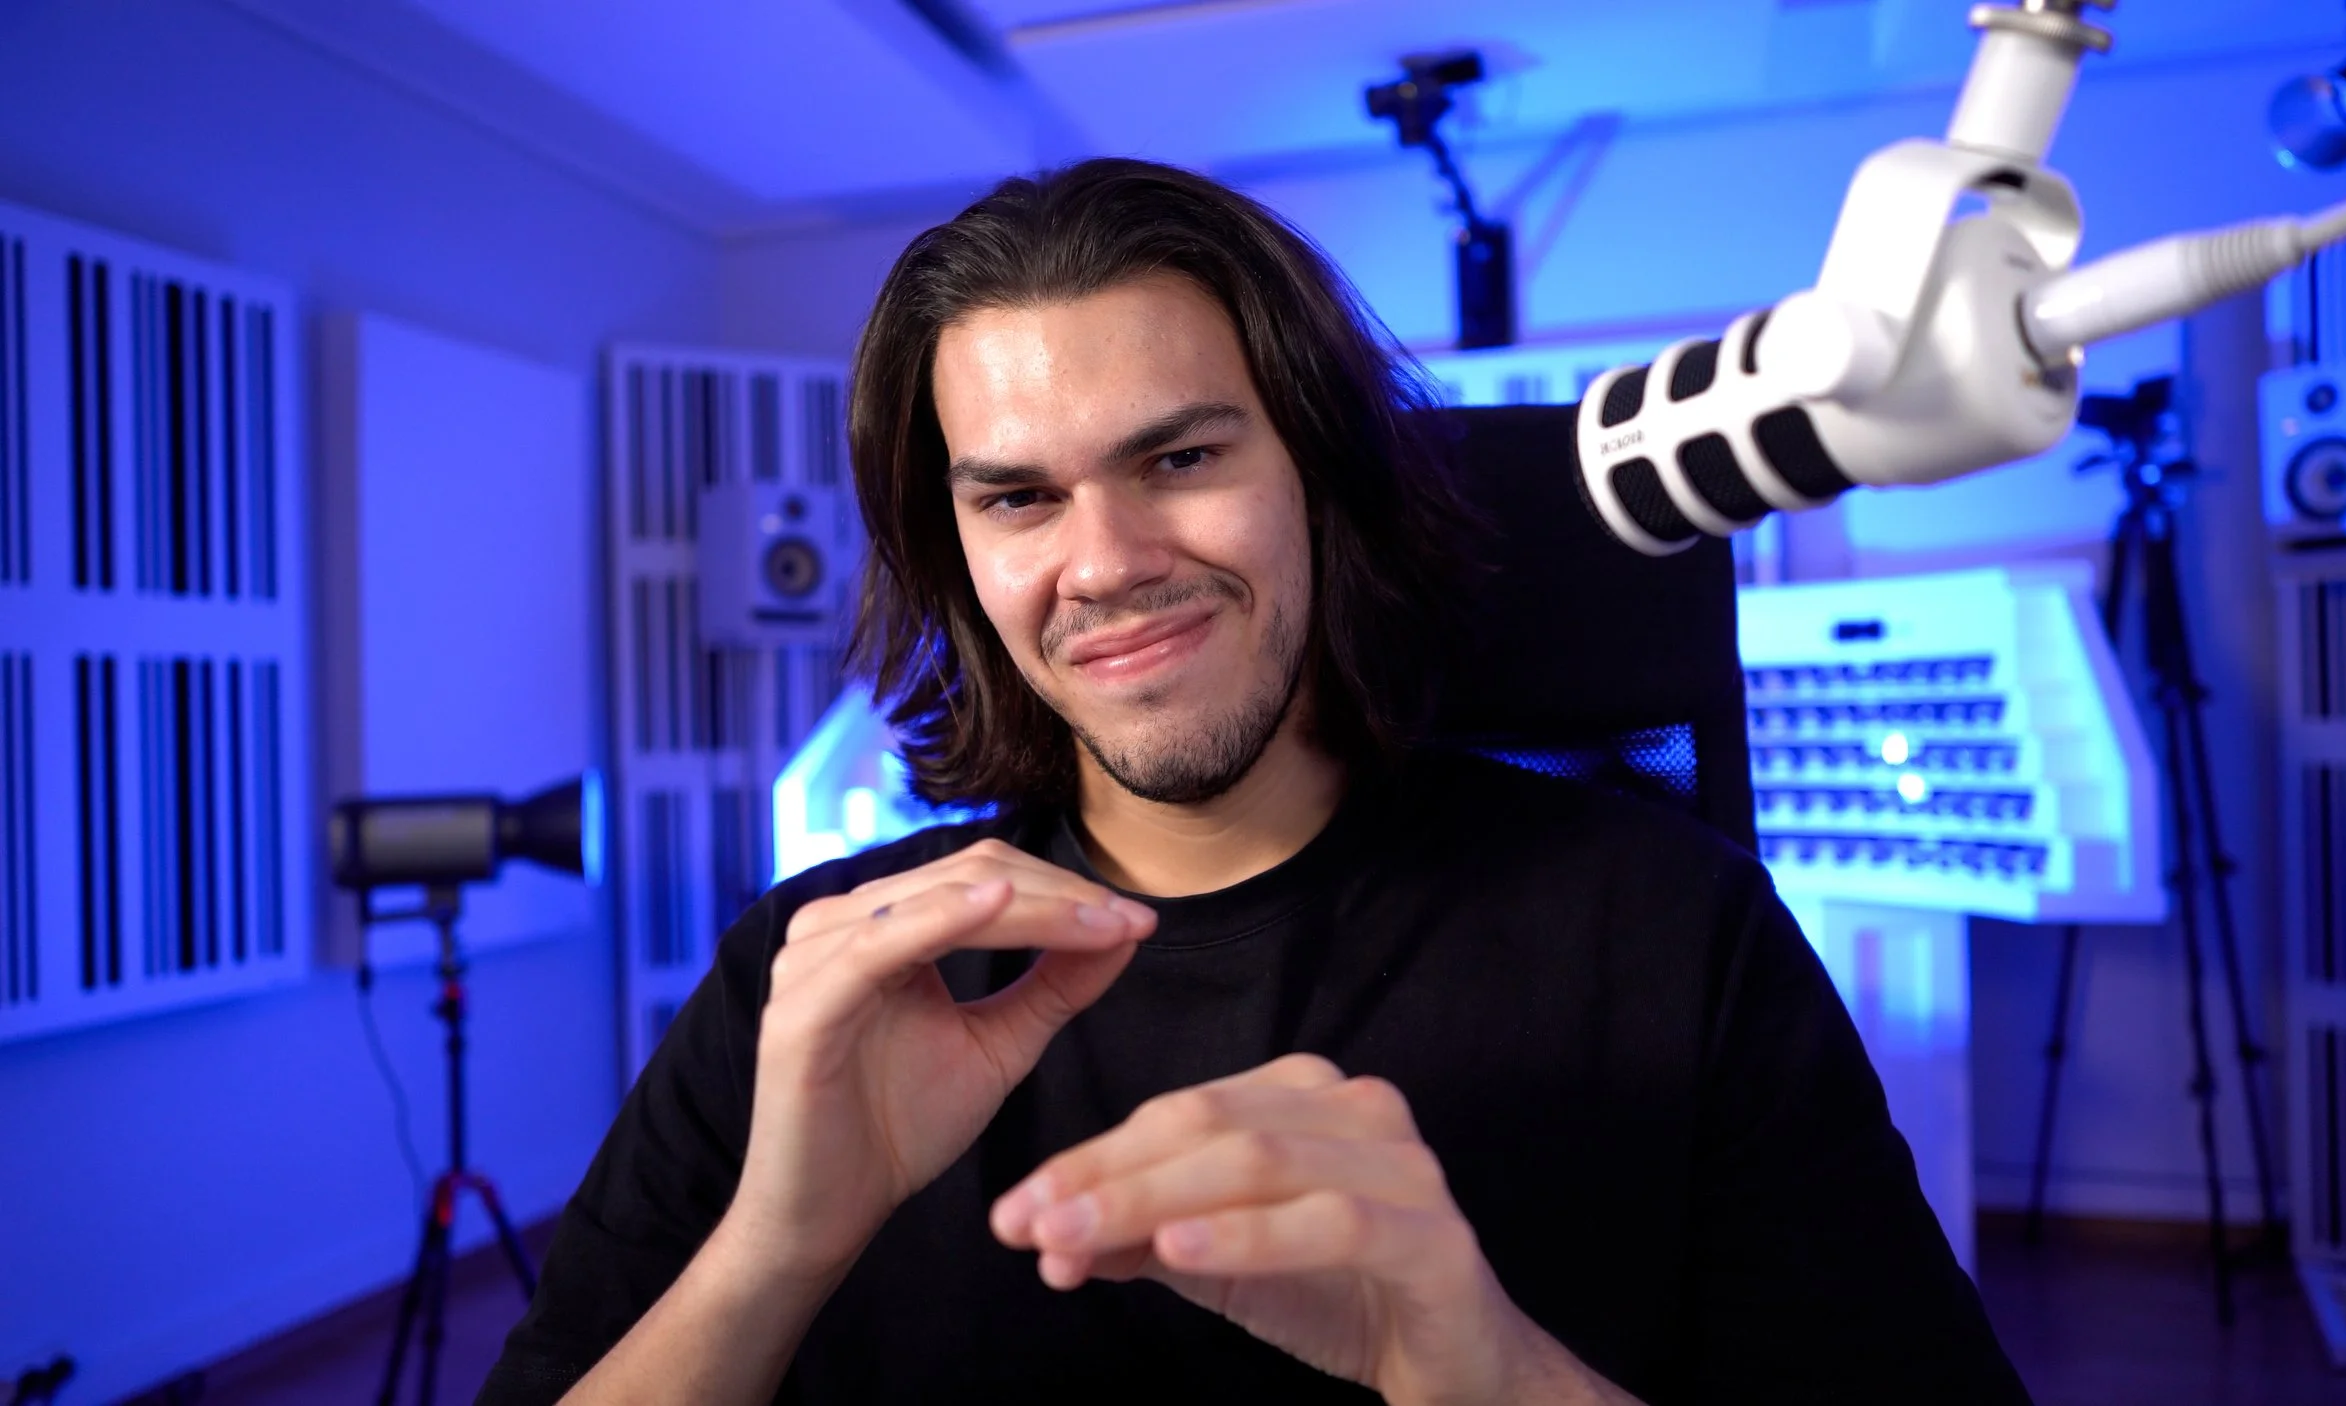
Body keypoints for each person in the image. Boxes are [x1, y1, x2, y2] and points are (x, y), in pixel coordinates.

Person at [481, 157, 2031, 1406]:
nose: (1105, 565)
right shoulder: (812, 977)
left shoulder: (1666, 931)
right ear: (960, 556)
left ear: (1323, 479)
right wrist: (775, 1247)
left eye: (1180, 460)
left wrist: (1481, 1368)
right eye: (1020, 496)